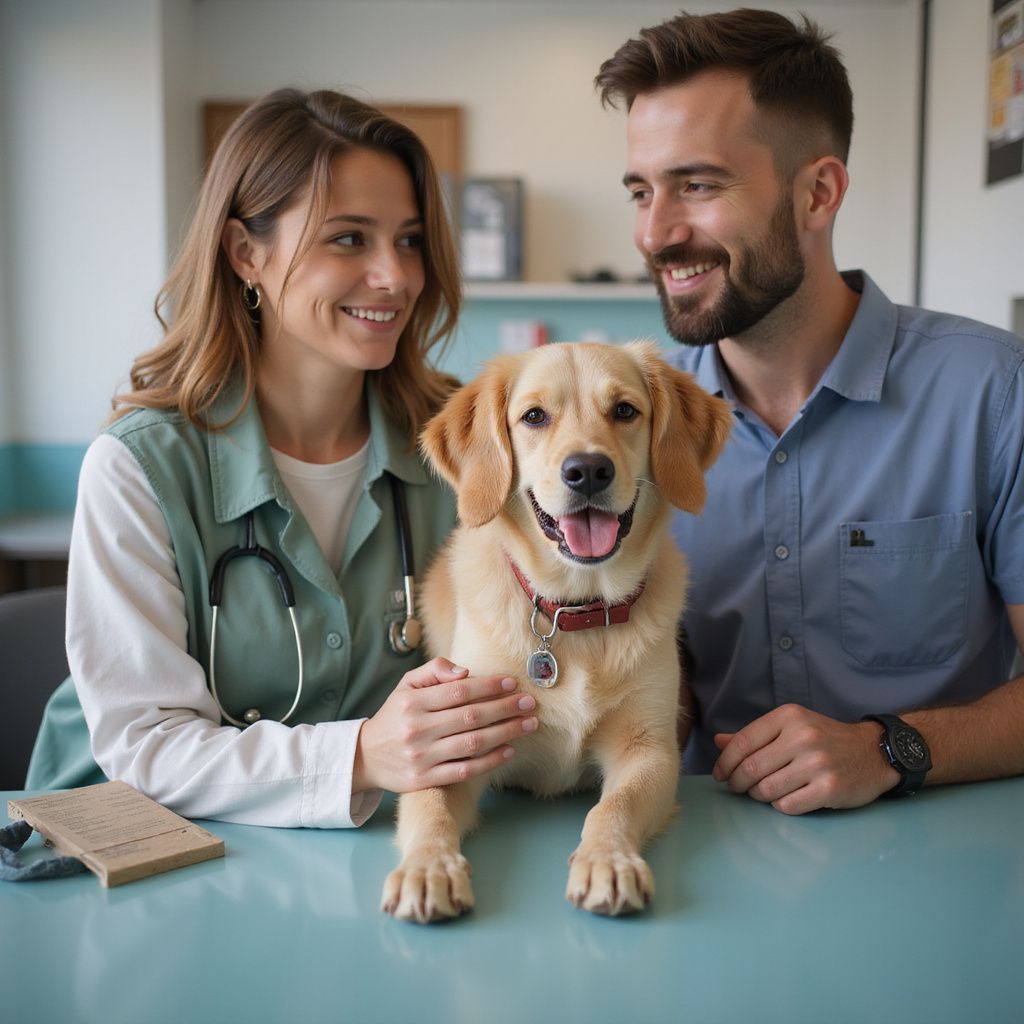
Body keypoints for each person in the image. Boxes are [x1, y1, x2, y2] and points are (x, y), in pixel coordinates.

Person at [27, 88, 538, 826]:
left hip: (357, 861)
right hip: (125, 850)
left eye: (410, 240)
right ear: (246, 254)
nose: (396, 277)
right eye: (349, 239)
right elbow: (143, 743)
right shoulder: (139, 466)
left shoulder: (462, 444)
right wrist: (362, 755)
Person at [595, 9, 1024, 814]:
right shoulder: (625, 424)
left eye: (697, 185)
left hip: (944, 868)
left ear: (818, 192)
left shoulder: (996, 395)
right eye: (641, 192)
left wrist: (893, 747)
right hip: (690, 864)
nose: (655, 233)